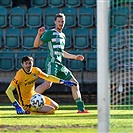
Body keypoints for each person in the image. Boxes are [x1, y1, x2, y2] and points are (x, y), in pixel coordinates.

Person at [34, 13, 88, 113]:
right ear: (55, 22)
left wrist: (75, 57)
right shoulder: (50, 33)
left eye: (62, 21)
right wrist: (39, 34)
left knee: (74, 83)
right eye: (59, 21)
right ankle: (29, 102)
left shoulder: (62, 36)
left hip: (59, 65)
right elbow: (36, 45)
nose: (60, 23)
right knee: (47, 84)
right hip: (52, 63)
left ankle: (81, 109)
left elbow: (62, 53)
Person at [5, 56, 77, 115]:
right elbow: (8, 91)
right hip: (27, 103)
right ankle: (29, 112)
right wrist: (17, 106)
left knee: (56, 106)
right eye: (26, 64)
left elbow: (48, 77)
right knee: (51, 110)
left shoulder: (36, 70)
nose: (28, 66)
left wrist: (62, 81)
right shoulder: (20, 75)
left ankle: (32, 111)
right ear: (22, 64)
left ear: (33, 63)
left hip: (35, 97)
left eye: (30, 63)